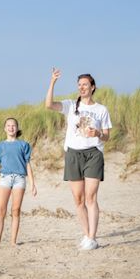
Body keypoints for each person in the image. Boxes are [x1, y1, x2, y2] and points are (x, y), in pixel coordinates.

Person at [44, 68, 112, 251]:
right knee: (78, 199)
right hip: (73, 154)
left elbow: (106, 136)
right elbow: (49, 105)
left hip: (93, 154)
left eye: (85, 84)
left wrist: (97, 133)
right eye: (79, 85)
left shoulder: (101, 110)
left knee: (91, 197)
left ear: (93, 87)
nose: (82, 87)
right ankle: (86, 234)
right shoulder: (70, 105)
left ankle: (92, 238)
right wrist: (52, 82)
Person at [0, 117, 36, 248]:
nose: (11, 128)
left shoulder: (24, 145)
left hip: (19, 179)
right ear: (5, 128)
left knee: (15, 210)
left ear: (17, 128)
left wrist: (33, 184)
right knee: (1, 210)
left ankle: (13, 241)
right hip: (4, 178)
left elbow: (28, 165)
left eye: (13, 125)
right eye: (8, 126)